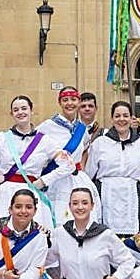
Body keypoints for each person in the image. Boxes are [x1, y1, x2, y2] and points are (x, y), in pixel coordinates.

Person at [0, 96, 65, 236]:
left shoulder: (45, 141)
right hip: (5, 194)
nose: (20, 112)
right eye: (16, 110)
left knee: (34, 236)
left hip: (32, 191)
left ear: (32, 111)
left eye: (24, 108)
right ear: (11, 114)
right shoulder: (2, 138)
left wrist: (45, 180)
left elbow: (68, 166)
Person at [85, 101, 140, 236]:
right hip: (106, 194)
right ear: (112, 119)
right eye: (118, 116)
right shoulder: (100, 143)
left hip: (132, 195)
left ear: (131, 118)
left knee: (133, 238)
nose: (122, 119)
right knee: (104, 236)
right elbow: (89, 173)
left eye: (125, 116)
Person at [36, 87, 101, 225]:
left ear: (78, 102)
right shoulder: (47, 126)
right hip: (56, 180)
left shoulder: (82, 128)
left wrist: (81, 167)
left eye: (73, 99)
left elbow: (84, 150)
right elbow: (34, 150)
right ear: (60, 102)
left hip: (77, 179)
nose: (69, 103)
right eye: (65, 100)